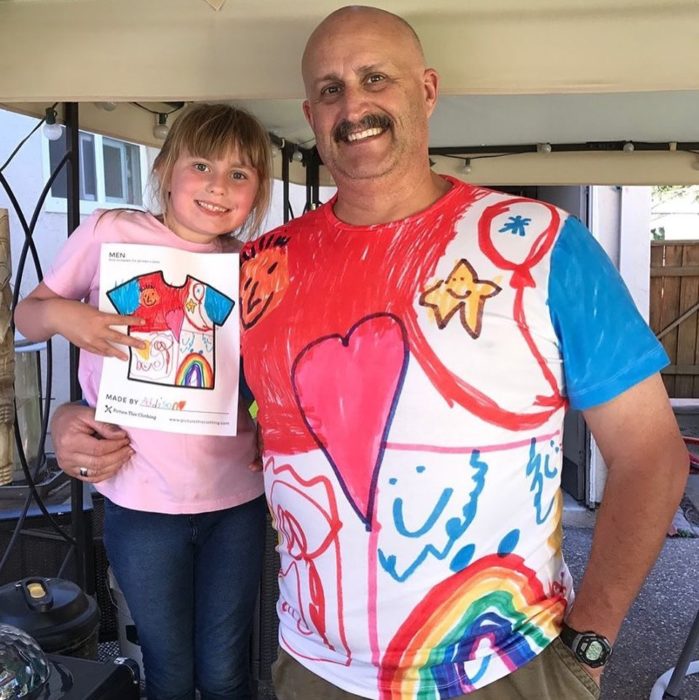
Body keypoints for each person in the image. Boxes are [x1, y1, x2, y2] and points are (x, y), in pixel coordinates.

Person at [51, 6, 690, 700]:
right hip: (312, 670)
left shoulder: (541, 244)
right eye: (330, 89)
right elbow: (176, 380)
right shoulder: (261, 267)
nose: (353, 104)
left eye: (375, 78)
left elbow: (649, 455)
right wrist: (78, 418)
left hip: (500, 667)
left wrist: (589, 640)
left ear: (426, 90)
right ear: (310, 112)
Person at [16, 103, 271, 700]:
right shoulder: (111, 232)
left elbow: (270, 375)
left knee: (226, 670)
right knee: (168, 670)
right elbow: (28, 313)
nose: (217, 185)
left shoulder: (252, 263)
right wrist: (63, 314)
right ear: (165, 170)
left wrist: (272, 424)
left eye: (240, 173)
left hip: (237, 498)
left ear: (257, 189)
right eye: (202, 165)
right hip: (138, 495)